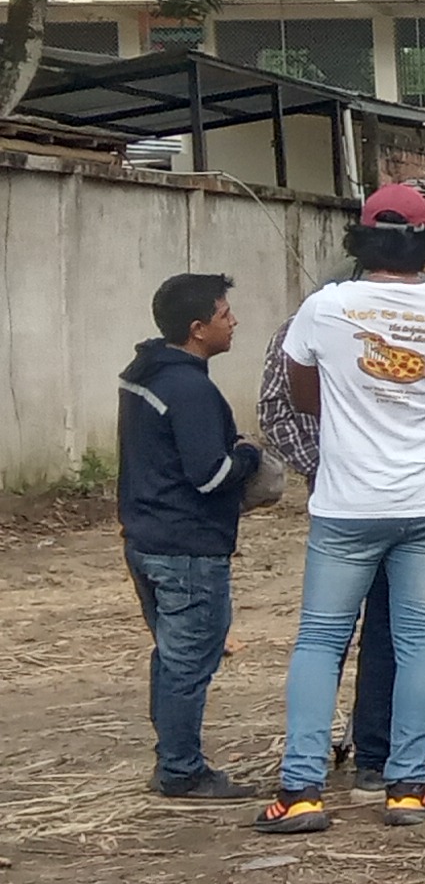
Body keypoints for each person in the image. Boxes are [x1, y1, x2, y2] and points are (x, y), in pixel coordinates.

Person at [258, 183, 425, 836]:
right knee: (418, 642)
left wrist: (352, 398)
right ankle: (408, 785)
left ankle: (302, 791)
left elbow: (302, 394)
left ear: (359, 240)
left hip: (349, 504)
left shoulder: (326, 307)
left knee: (320, 640)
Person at [117, 272, 265, 800]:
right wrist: (248, 457)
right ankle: (181, 769)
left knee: (171, 655)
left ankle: (173, 759)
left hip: (146, 538)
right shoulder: (190, 388)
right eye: (225, 314)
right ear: (198, 328)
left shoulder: (145, 372)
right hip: (187, 547)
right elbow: (210, 475)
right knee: (189, 662)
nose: (234, 322)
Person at [259, 312, 399, 795]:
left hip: (401, 501)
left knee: (391, 632)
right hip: (351, 502)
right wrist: (327, 466)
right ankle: (310, 768)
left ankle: (370, 758)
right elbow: (276, 409)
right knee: (331, 635)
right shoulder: (310, 321)